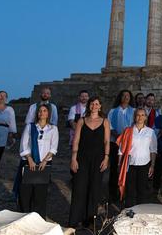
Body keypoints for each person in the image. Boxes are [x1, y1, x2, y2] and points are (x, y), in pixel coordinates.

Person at [69, 96, 110, 228]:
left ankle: (90, 221)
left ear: (100, 106)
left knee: (94, 189)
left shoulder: (105, 121)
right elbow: (76, 140)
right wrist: (73, 158)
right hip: (82, 158)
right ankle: (74, 220)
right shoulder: (81, 120)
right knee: (79, 188)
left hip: (98, 159)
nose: (94, 106)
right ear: (89, 106)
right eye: (92, 103)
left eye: (97, 104)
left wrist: (106, 157)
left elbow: (107, 141)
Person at [19, 103, 59, 218]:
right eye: (40, 111)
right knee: (26, 192)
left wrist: (45, 161)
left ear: (48, 114)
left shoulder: (53, 129)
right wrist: (30, 159)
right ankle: (24, 217)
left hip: (44, 164)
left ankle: (38, 218)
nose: (42, 113)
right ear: (37, 113)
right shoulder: (30, 127)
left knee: (40, 193)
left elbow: (53, 147)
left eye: (44, 111)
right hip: (29, 162)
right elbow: (23, 144)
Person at [117, 108, 157, 207]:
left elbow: (153, 150)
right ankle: (129, 210)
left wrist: (152, 165)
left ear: (146, 117)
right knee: (130, 189)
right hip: (130, 164)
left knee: (142, 189)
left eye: (143, 115)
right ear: (135, 117)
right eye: (138, 115)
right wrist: (119, 164)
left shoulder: (150, 132)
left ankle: (141, 211)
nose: (140, 117)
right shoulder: (128, 130)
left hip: (144, 164)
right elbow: (121, 150)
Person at [108, 90, 135, 203]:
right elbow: (109, 126)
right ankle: (113, 194)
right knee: (115, 168)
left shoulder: (134, 111)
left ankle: (126, 194)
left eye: (128, 96)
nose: (125, 97)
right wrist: (119, 136)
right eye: (123, 95)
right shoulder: (113, 111)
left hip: (130, 144)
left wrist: (126, 137)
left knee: (128, 169)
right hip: (116, 143)